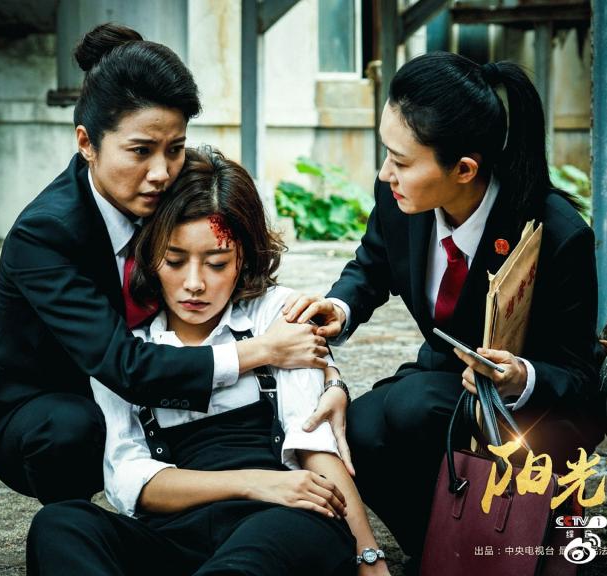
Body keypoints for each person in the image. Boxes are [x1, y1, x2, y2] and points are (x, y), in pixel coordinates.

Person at [0, 24, 347, 505]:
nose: (161, 172)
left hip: (151, 391)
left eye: (175, 148)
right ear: (86, 143)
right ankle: (78, 524)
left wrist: (329, 379)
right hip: (59, 401)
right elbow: (124, 366)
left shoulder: (172, 193)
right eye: (140, 151)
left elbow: (249, 290)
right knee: (71, 430)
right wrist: (262, 350)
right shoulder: (44, 235)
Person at [283, 52, 605, 565]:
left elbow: (582, 379)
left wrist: (520, 376)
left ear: (464, 169)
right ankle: (446, 552)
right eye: (386, 153)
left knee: (411, 407)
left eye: (401, 161)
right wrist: (340, 307)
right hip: (445, 383)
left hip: (535, 412)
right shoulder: (400, 197)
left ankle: (516, 542)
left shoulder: (559, 235)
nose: (385, 172)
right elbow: (373, 263)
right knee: (356, 431)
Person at [27, 146, 389, 576]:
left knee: (259, 552)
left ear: (244, 257)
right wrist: (254, 483)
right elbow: (130, 481)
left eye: (217, 263)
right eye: (175, 260)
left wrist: (369, 556)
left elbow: (315, 443)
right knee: (60, 525)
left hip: (281, 523)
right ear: (148, 254)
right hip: (177, 534)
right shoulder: (125, 343)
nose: (194, 283)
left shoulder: (277, 314)